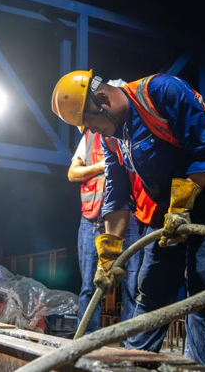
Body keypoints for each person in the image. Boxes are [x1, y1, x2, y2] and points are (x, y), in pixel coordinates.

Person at [51, 70, 205, 368]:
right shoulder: (112, 139)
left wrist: (182, 205)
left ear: (102, 100)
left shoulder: (161, 92)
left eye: (90, 122)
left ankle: (202, 366)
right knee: (152, 285)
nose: (93, 131)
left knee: (203, 288)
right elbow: (117, 195)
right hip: (165, 208)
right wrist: (109, 253)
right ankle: (135, 364)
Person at [68, 129, 142, 338]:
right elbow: (72, 173)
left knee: (133, 285)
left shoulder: (133, 130)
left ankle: (131, 341)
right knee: (90, 284)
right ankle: (87, 339)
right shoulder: (90, 136)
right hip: (93, 219)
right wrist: (103, 166)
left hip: (130, 217)